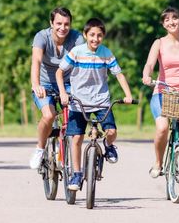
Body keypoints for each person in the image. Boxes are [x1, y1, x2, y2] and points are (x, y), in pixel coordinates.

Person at [56, 17, 134, 190]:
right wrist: (63, 93)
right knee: (76, 138)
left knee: (111, 131)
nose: (95, 39)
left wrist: (128, 95)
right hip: (78, 102)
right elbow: (60, 72)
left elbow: (119, 74)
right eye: (91, 35)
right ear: (85, 35)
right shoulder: (77, 52)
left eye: (99, 35)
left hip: (101, 101)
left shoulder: (106, 53)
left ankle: (108, 145)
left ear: (103, 37)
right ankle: (77, 174)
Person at [142, 7, 179, 179]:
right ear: (163, 24)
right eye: (166, 19)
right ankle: (158, 162)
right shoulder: (159, 43)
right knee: (162, 128)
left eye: (175, 18)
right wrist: (147, 75)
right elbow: (149, 64)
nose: (171, 22)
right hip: (162, 92)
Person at [29, 7, 84, 169]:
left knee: (76, 116)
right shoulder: (41, 37)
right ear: (51, 23)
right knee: (49, 115)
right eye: (58, 23)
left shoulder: (76, 38)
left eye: (66, 24)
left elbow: (83, 61)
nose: (63, 28)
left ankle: (68, 148)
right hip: (45, 84)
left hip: (68, 84)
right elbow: (36, 62)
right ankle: (40, 149)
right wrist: (36, 84)